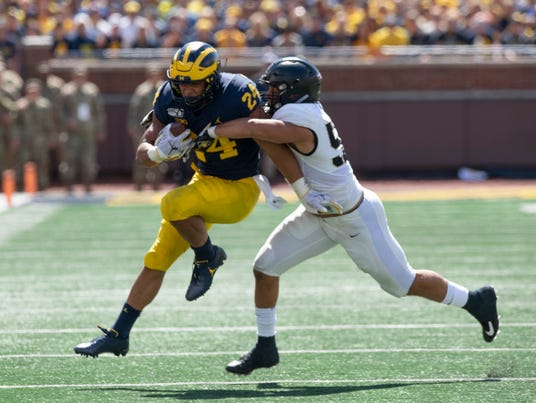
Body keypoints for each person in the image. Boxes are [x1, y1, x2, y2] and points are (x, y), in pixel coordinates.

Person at [195, 56, 500, 375]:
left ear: (294, 91)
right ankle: (265, 347)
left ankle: (475, 300)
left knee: (403, 283)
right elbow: (266, 137)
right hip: (319, 211)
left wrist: (213, 131)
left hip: (353, 217)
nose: (268, 94)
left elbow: (256, 128)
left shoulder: (299, 117)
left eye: (275, 88)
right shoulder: (299, 111)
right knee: (265, 267)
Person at [73, 41, 330, 358]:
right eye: (180, 81)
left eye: (193, 82)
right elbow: (143, 153)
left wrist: (301, 188)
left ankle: (208, 256)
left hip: (239, 187)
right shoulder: (168, 95)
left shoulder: (239, 91)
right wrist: (156, 153)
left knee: (171, 204)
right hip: (202, 182)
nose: (186, 89)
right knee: (157, 258)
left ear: (212, 78)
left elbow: (272, 142)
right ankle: (119, 334)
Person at [58, 66, 106, 194]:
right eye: (77, 76)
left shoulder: (92, 90)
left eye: (82, 76)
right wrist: (67, 121)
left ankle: (88, 186)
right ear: (73, 77)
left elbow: (98, 111)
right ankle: (69, 187)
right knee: (69, 161)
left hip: (88, 132)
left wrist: (100, 129)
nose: (80, 79)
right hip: (71, 132)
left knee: (89, 161)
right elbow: (59, 111)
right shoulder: (66, 91)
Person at [126, 64, 166, 191]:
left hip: (161, 129)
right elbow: (134, 110)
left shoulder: (164, 88)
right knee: (141, 158)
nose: (154, 77)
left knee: (160, 157)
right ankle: (139, 187)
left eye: (156, 74)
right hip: (143, 130)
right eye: (151, 74)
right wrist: (132, 127)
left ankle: (156, 186)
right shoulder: (142, 91)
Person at [13, 79, 55, 191]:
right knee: (22, 163)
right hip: (25, 139)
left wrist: (51, 138)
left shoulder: (44, 105)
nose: (33, 94)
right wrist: (16, 138)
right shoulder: (21, 105)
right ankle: (21, 186)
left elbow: (49, 123)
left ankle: (42, 186)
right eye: (31, 92)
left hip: (40, 139)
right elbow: (16, 124)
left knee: (42, 163)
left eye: (35, 92)